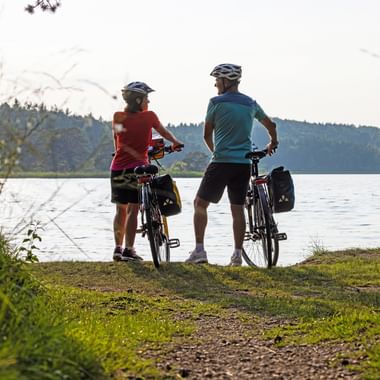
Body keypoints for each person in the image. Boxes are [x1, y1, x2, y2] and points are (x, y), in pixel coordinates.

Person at [186, 64, 278, 266]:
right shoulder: (250, 103)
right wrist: (273, 142)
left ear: (226, 82)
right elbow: (271, 125)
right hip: (243, 164)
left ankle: (200, 250)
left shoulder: (215, 103)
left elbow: (206, 134)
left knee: (200, 204)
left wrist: (216, 152)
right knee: (237, 209)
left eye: (218, 80)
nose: (215, 83)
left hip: (221, 162)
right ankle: (237, 256)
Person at [110, 81, 183, 262]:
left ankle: (117, 249)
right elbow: (163, 132)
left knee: (121, 210)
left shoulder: (118, 116)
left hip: (118, 167)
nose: (148, 102)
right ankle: (129, 249)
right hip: (139, 168)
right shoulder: (149, 116)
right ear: (138, 100)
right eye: (146, 99)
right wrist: (175, 141)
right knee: (133, 210)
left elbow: (117, 139)